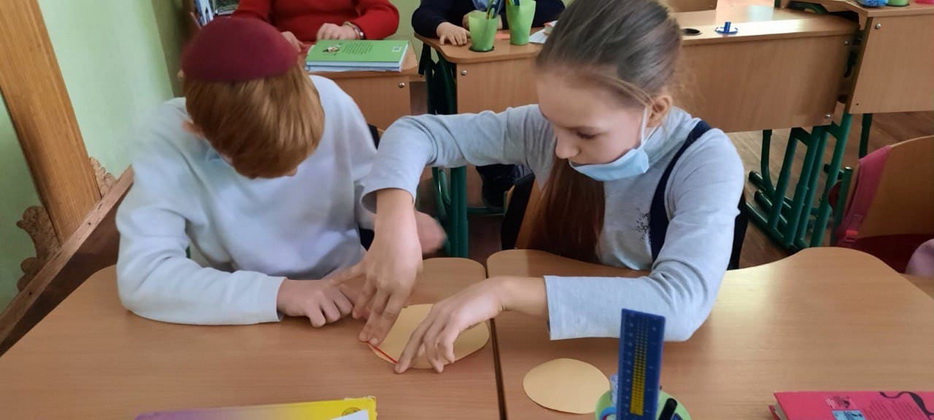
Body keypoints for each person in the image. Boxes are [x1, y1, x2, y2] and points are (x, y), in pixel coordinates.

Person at [342, 0, 745, 372]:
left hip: (646, 357)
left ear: (654, 111)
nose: (562, 149)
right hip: (555, 341)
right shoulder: (546, 129)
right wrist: (395, 224)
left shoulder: (705, 162)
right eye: (552, 121)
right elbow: (415, 132)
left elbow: (679, 306)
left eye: (585, 134)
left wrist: (503, 292)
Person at [116, 18, 443, 327]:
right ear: (199, 132)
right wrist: (278, 292)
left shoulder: (330, 99)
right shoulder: (167, 136)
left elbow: (364, 187)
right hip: (233, 309)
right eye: (261, 169)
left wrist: (392, 217)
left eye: (307, 154)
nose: (293, 174)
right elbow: (144, 276)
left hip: (346, 287)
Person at [234, 0, 400, 50]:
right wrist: (271, 37)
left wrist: (351, 30)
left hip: (343, 56)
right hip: (290, 65)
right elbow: (243, 21)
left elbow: (387, 14)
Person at [412, 0, 564, 46]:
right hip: (466, 60)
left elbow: (554, 8)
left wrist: (501, 20)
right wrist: (443, 27)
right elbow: (423, 14)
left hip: (513, 55)